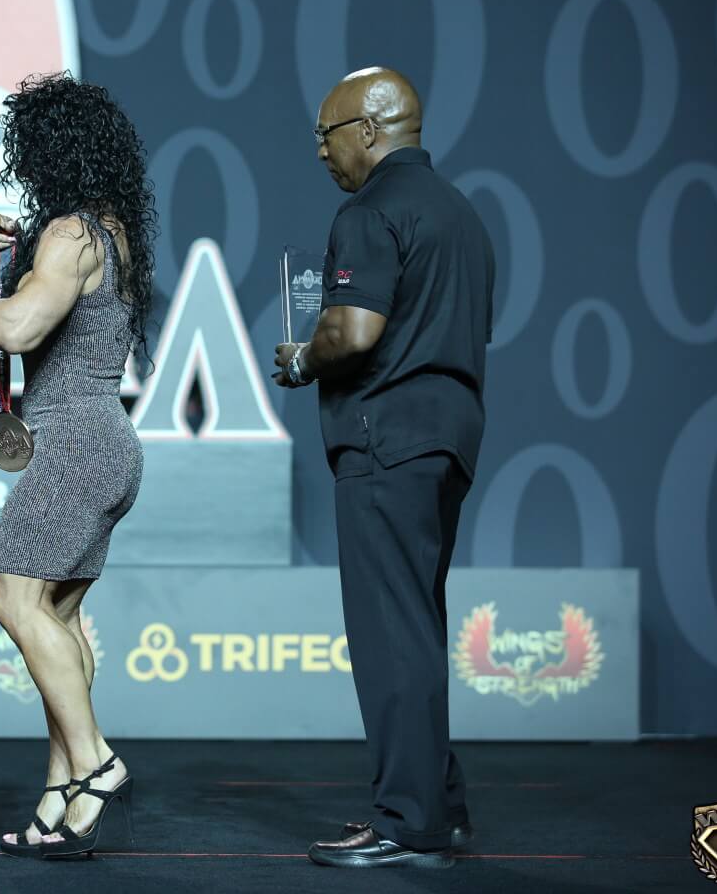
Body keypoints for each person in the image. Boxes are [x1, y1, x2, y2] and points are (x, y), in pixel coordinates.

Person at [274, 68, 495, 869]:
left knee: (389, 636)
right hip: (448, 439)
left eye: (326, 135)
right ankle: (441, 808)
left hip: (384, 438)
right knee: (416, 625)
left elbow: (354, 331)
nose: (320, 153)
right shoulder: (463, 215)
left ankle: (406, 821)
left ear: (368, 130)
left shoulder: (370, 211)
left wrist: (303, 359)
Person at [0, 73, 157, 860]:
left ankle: (96, 763)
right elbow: (50, 305)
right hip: (106, 444)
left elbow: (22, 329)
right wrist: (11, 256)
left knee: (13, 601)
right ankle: (61, 800)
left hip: (73, 443)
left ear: (48, 152)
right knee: (55, 618)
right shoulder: (106, 230)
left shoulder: (70, 233)